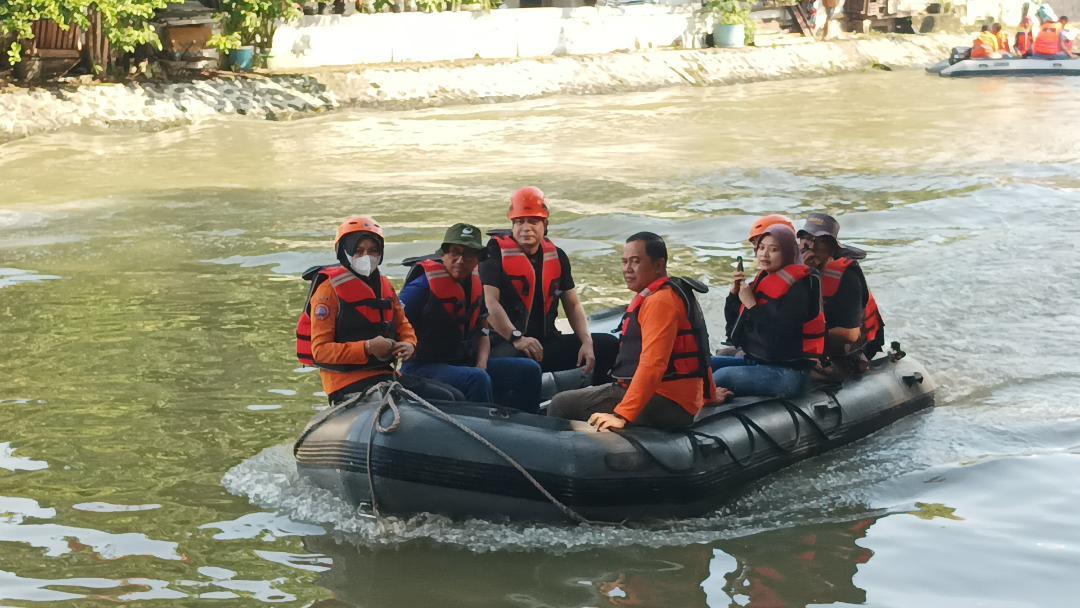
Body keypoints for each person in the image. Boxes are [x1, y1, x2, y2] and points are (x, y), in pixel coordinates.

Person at [547, 232, 715, 431]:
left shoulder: (659, 302)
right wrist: (709, 394)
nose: (627, 269)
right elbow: (700, 349)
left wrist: (622, 415)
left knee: (561, 404)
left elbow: (653, 364)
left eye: (635, 262)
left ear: (659, 265)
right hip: (675, 397)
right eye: (624, 262)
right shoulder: (668, 293)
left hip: (668, 402)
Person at [296, 216, 461, 404]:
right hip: (345, 382)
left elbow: (403, 325)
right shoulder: (327, 291)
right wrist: (367, 347)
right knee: (442, 398)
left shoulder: (384, 285)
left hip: (384, 374)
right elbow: (320, 351)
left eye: (373, 250)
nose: (366, 256)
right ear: (344, 252)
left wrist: (409, 344)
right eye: (358, 251)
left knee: (453, 396)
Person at [480, 186, 619, 385]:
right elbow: (489, 303)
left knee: (608, 345)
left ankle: (596, 400)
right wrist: (517, 338)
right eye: (519, 222)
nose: (526, 227)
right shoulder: (494, 254)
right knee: (525, 368)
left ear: (545, 224)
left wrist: (586, 341)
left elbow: (572, 305)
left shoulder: (557, 255)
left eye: (533, 221)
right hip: (507, 344)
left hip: (546, 343)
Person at [399, 223, 543, 412]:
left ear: (478, 259)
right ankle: (484, 432)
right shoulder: (421, 287)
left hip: (462, 362)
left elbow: (483, 330)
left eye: (468, 255)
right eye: (454, 253)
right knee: (477, 379)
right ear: (444, 254)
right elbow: (395, 323)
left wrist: (481, 363)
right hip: (421, 366)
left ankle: (530, 426)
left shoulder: (475, 284)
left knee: (529, 369)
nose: (460, 260)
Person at [711, 224, 824, 399]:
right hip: (760, 360)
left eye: (774, 250)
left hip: (790, 373)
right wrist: (734, 295)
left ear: (787, 253)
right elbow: (733, 328)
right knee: (705, 365)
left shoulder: (800, 286)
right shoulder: (764, 279)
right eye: (761, 248)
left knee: (720, 377)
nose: (764, 254)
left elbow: (779, 335)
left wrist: (752, 305)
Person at [797, 213, 885, 377]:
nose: (812, 247)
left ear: (831, 249)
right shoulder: (792, 270)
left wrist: (796, 337)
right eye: (807, 239)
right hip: (811, 340)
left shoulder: (847, 277)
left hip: (850, 349)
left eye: (821, 241)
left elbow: (850, 334)